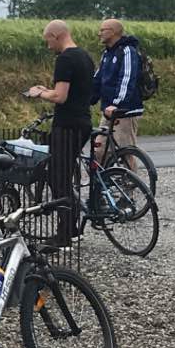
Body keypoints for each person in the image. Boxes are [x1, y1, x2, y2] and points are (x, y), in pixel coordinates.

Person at [26, 20, 94, 247]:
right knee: (63, 176)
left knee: (58, 178)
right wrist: (48, 90)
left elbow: (61, 97)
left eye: (48, 41)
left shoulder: (64, 59)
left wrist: (39, 94)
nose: (48, 46)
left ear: (56, 36)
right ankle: (72, 228)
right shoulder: (85, 56)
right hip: (83, 121)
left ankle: (64, 234)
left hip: (67, 125)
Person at [90, 18, 143, 165]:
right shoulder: (107, 54)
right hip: (108, 110)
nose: (99, 33)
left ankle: (130, 185)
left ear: (112, 32)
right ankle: (104, 182)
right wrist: (87, 99)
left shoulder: (127, 52)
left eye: (102, 30)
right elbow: (98, 79)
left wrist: (117, 104)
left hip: (124, 110)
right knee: (99, 150)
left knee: (124, 150)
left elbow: (127, 79)